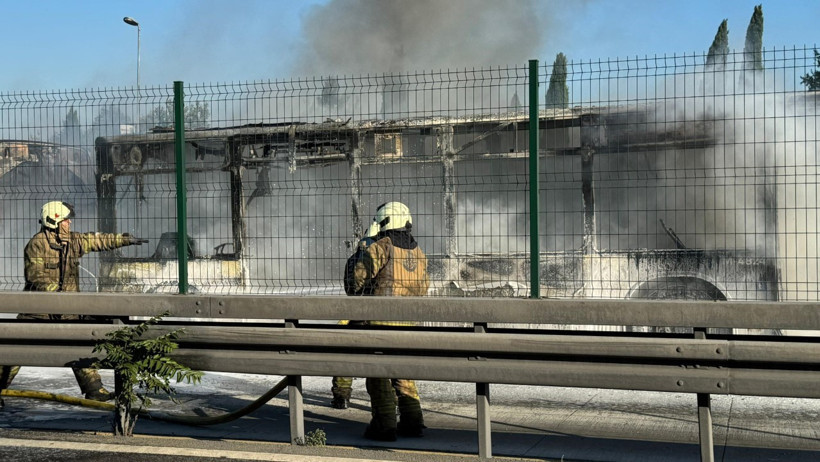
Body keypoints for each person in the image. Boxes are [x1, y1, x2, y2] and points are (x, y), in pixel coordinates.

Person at [0, 201, 147, 405]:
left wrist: (124, 240)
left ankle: (94, 390)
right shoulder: (37, 244)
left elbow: (96, 240)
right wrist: (58, 295)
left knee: (78, 346)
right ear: (54, 221)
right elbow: (36, 277)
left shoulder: (72, 240)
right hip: (38, 311)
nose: (69, 223)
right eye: (65, 220)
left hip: (68, 310)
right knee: (17, 351)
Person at [347, 201, 430, 441]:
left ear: (382, 221)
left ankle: (384, 426)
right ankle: (413, 422)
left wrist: (364, 246)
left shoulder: (382, 246)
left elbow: (357, 280)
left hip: (380, 323)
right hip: (408, 324)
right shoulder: (418, 251)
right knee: (403, 372)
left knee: (378, 376)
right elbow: (424, 288)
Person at [330, 220, 381, 409]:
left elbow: (349, 288)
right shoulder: (381, 256)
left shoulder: (353, 258)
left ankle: (341, 396)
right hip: (377, 319)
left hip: (354, 317)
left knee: (345, 355)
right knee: (383, 361)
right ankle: (390, 399)